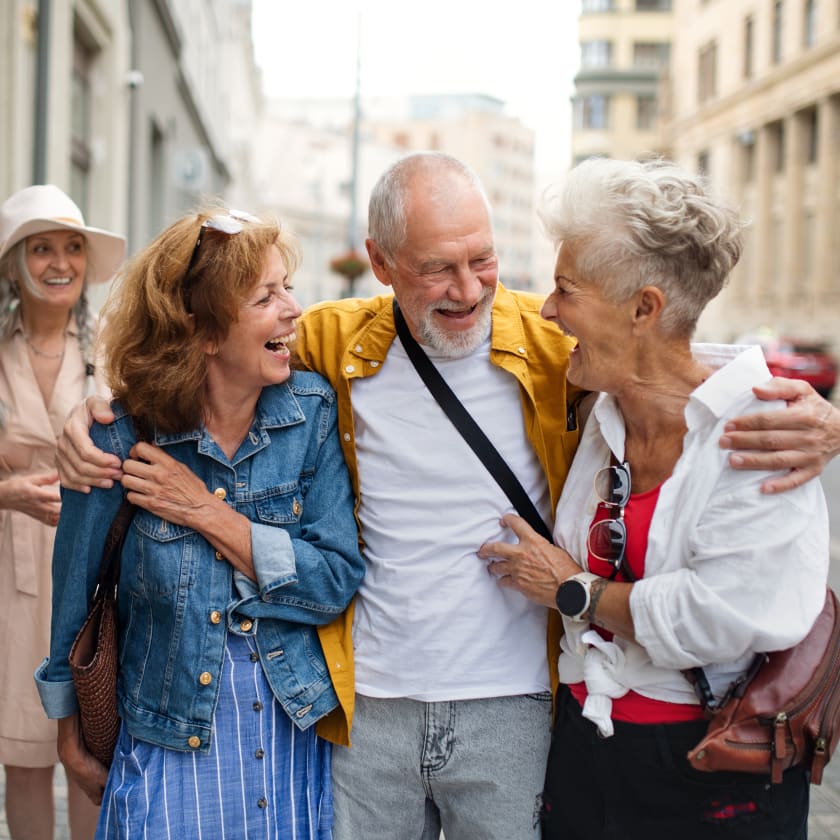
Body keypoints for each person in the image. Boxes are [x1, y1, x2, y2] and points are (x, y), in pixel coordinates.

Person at [54, 153, 840, 840]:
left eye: (485, 260)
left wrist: (811, 414)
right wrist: (90, 407)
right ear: (382, 261)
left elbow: (657, 343)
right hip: (370, 710)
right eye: (438, 268)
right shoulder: (330, 341)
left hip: (518, 709)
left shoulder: (552, 342)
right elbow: (200, 347)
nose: (470, 291)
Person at [478, 157, 830, 840]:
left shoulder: (761, 433)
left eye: (565, 289)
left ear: (644, 308)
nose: (547, 310)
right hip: (584, 758)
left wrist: (571, 589)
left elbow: (714, 617)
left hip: (708, 774)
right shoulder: (601, 409)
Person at [35, 207, 365, 838]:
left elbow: (334, 582)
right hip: (165, 734)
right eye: (266, 296)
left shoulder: (312, 413)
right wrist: (67, 731)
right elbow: (74, 592)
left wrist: (205, 513)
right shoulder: (120, 435)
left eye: (287, 287)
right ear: (204, 331)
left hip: (287, 736)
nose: (293, 309)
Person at [0, 184, 125, 839]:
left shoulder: (114, 352)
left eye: (72, 247)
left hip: (94, 578)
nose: (59, 262)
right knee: (22, 758)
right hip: (9, 579)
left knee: (93, 750)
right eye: (40, 247)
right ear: (14, 265)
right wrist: (10, 493)